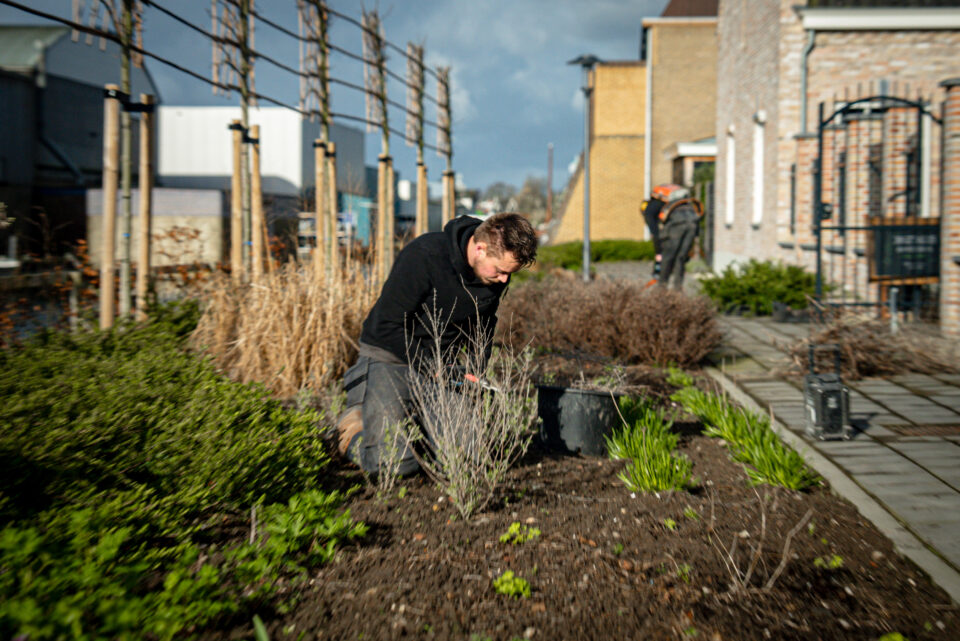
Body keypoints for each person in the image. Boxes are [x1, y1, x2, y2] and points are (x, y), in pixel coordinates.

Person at [336, 212, 538, 476]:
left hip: (441, 363)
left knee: (466, 463)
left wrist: (476, 369)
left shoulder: (492, 274)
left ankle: (417, 427)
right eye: (500, 271)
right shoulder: (423, 256)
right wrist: (432, 367)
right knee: (392, 465)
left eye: (508, 274)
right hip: (391, 354)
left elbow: (484, 324)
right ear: (480, 248)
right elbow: (386, 327)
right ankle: (353, 428)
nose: (504, 280)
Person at [657, 187, 703, 291]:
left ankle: (662, 286)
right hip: (691, 226)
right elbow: (697, 225)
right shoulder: (691, 208)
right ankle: (677, 287)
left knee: (668, 257)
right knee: (681, 257)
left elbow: (662, 219)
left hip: (676, 227)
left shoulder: (671, 206)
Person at [639, 191, 666, 283]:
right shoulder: (660, 204)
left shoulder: (646, 204)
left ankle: (657, 271)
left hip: (656, 233)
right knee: (660, 253)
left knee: (658, 254)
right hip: (659, 232)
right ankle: (658, 271)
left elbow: (643, 212)